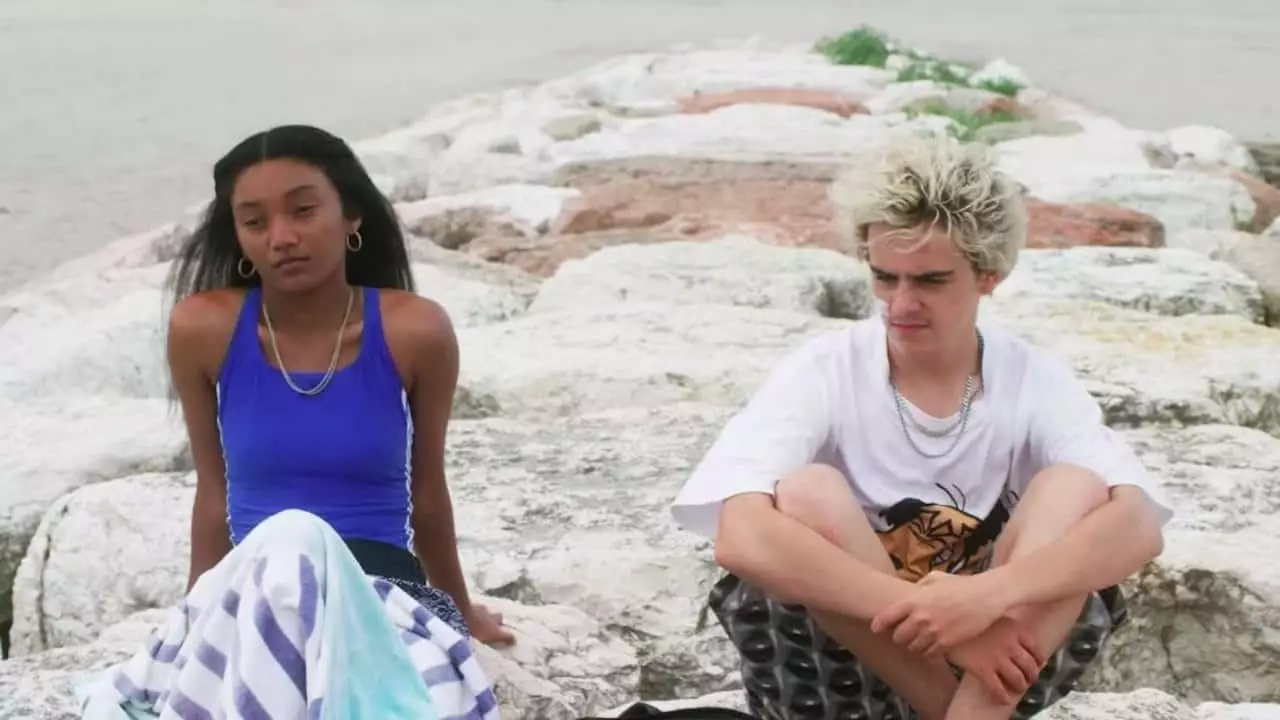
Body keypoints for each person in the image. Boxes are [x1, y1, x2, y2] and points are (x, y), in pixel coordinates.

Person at [669, 133, 1173, 720]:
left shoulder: (1031, 377)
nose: (901, 304)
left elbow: (1139, 528)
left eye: (930, 281)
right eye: (886, 277)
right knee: (806, 494)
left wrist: (986, 597)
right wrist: (938, 620)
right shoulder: (825, 369)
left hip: (1000, 661)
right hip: (841, 668)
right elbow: (741, 537)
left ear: (988, 274)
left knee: (1078, 489)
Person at [164, 123, 514, 649]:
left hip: (377, 591)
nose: (281, 238)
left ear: (351, 215)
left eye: (303, 211)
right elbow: (214, 497)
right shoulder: (202, 329)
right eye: (255, 222)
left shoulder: (415, 332)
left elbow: (427, 495)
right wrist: (192, 621)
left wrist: (460, 611)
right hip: (259, 588)